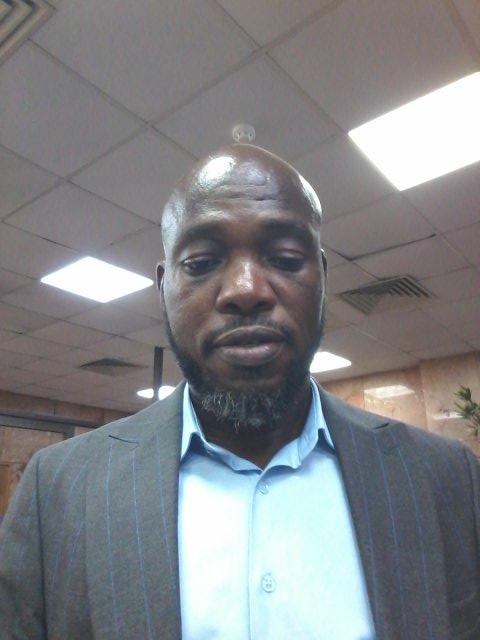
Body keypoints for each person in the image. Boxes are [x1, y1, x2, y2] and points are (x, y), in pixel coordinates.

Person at [0, 144, 478, 640]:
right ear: (163, 287)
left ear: (321, 277)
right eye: (202, 262)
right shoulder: (57, 490)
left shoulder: (446, 480)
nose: (246, 289)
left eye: (285, 258)